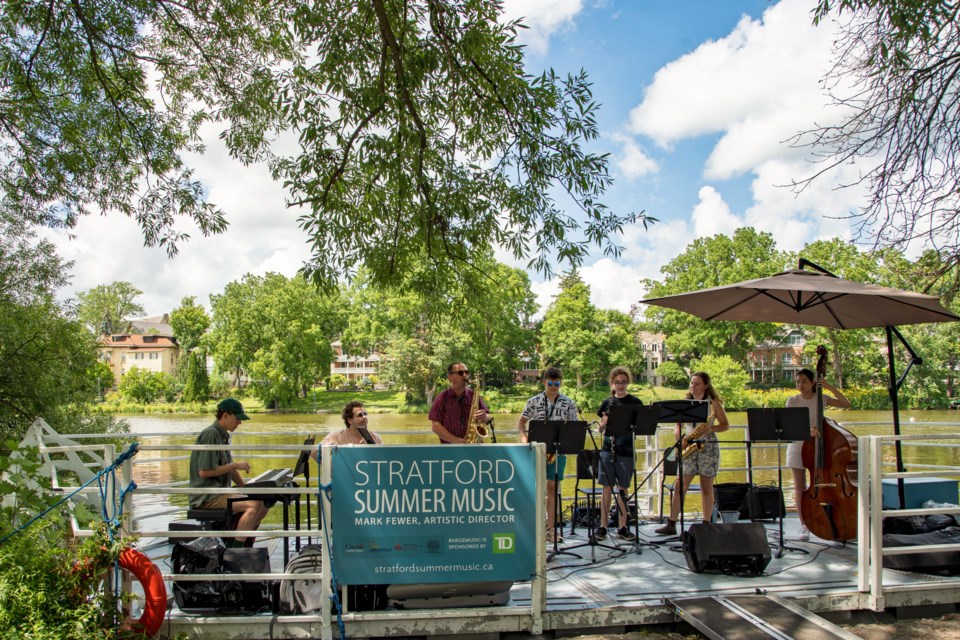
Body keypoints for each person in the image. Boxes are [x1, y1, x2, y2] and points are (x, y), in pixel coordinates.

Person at [655, 372, 730, 535]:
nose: (693, 386)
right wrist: (680, 438)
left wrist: (711, 428)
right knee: (680, 485)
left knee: (706, 487)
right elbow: (677, 426)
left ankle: (705, 523)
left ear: (705, 386)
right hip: (688, 445)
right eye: (691, 383)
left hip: (707, 447)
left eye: (696, 383)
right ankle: (672, 523)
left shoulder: (713, 404)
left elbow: (725, 425)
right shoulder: (685, 403)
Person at [189, 398, 269, 546]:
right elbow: (204, 472)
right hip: (207, 496)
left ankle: (243, 541)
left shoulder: (223, 435)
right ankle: (235, 549)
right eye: (237, 418)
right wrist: (235, 465)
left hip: (221, 492)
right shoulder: (211, 434)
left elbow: (229, 468)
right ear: (225, 415)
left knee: (263, 503)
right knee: (253, 505)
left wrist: (245, 489)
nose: (240, 422)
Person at [786, 368, 851, 541]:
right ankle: (804, 526)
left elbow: (846, 404)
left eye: (805, 382)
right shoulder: (792, 401)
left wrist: (829, 386)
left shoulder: (821, 398)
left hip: (819, 446)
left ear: (813, 382)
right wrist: (808, 431)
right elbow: (789, 426)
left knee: (824, 483)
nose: (801, 385)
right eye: (798, 382)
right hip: (798, 445)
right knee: (800, 487)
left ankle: (827, 519)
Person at [518, 367, 579, 544]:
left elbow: (574, 428)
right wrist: (524, 438)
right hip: (537, 451)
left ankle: (551, 530)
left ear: (561, 383)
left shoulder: (569, 403)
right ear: (544, 382)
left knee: (552, 489)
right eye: (550, 383)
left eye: (557, 383)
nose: (553, 386)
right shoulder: (534, 401)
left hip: (558, 452)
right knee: (535, 490)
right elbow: (522, 422)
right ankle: (534, 529)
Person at [595, 366, 641, 542]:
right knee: (606, 488)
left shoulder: (635, 402)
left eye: (623, 382)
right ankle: (603, 526)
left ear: (628, 382)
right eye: (617, 382)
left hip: (626, 450)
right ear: (612, 383)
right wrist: (603, 423)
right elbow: (600, 430)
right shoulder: (607, 403)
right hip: (608, 450)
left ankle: (623, 527)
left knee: (623, 488)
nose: (620, 386)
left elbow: (640, 426)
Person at [429, 362, 489, 444]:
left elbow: (489, 417)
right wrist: (455, 440)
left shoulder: (474, 395)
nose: (465, 375)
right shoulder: (442, 397)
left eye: (466, 372)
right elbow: (435, 426)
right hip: (451, 450)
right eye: (461, 373)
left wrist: (485, 416)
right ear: (450, 377)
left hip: (475, 446)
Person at [314, 400, 383, 453]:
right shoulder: (335, 436)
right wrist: (333, 466)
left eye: (365, 414)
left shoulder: (376, 438)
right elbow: (314, 451)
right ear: (350, 420)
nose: (364, 417)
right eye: (360, 415)